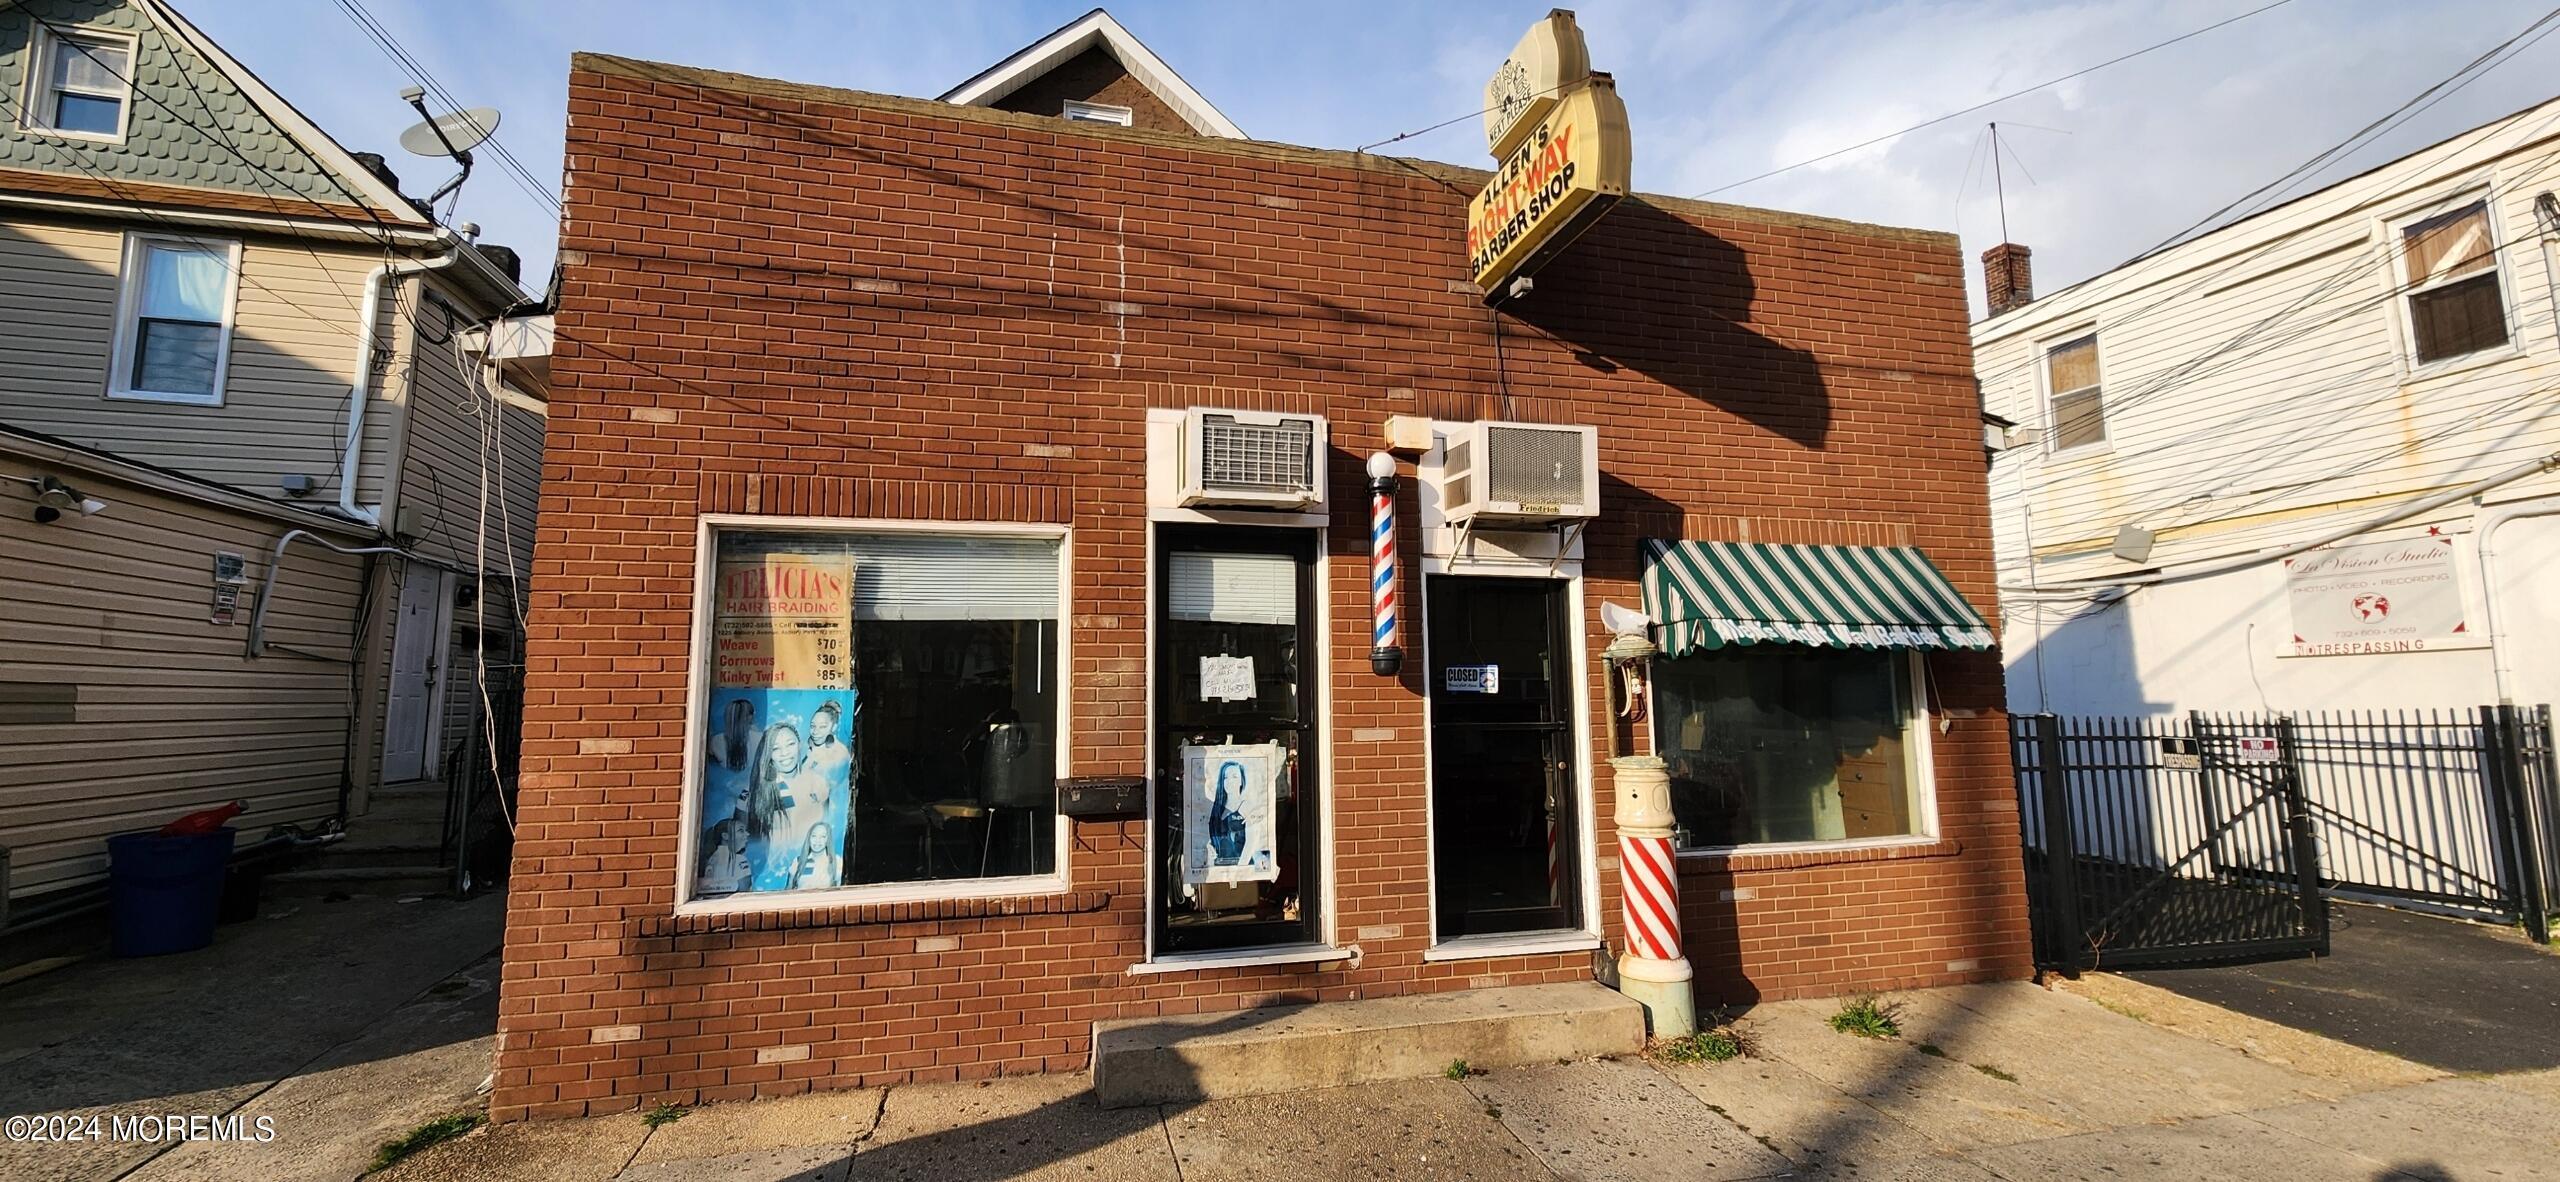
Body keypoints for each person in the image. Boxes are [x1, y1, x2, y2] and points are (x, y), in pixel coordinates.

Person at [1208, 760, 1248, 866]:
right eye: (1226, 777)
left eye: (1234, 776)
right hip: (1219, 869)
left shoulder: (1247, 807)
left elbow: (1254, 841)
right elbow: (1213, 839)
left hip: (1242, 869)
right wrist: (1209, 846)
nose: (1229, 781)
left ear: (1241, 781)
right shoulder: (1216, 809)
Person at [791, 821, 842, 889]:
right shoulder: (798, 862)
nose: (817, 840)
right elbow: (788, 891)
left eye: (823, 836)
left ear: (828, 840)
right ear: (809, 838)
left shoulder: (836, 861)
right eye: (814, 836)